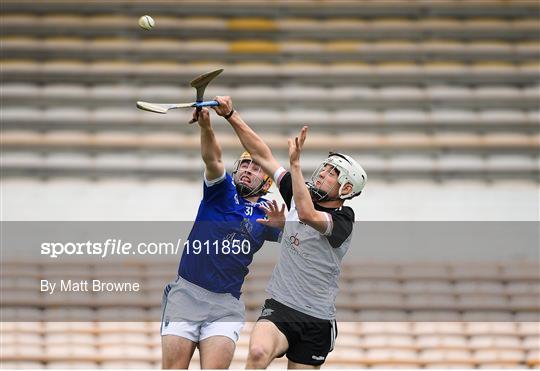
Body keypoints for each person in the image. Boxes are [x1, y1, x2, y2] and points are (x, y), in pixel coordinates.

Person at [212, 96, 367, 369]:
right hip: (281, 306)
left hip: (317, 320)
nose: (322, 174)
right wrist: (230, 114)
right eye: (325, 167)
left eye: (332, 173)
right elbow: (262, 155)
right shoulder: (300, 192)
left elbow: (307, 214)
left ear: (345, 189)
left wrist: (295, 166)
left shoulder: (344, 219)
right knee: (258, 352)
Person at [160, 108, 285, 369]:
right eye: (245, 165)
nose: (248, 170)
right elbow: (213, 159)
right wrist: (206, 128)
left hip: (225, 306)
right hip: (186, 295)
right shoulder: (221, 191)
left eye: (257, 167)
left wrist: (283, 227)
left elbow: (302, 242)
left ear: (266, 181)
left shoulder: (268, 213)